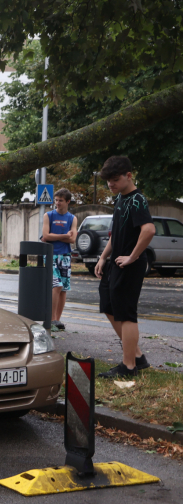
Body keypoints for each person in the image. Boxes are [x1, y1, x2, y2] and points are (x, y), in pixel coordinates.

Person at [94, 156, 156, 378]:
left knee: (126, 314)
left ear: (129, 176)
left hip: (130, 265)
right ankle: (137, 355)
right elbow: (116, 233)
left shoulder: (137, 199)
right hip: (115, 263)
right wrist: (103, 257)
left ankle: (128, 366)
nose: (110, 184)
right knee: (109, 304)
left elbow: (148, 230)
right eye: (108, 180)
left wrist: (132, 257)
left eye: (115, 179)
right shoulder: (120, 198)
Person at [41, 188, 77, 331]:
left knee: (63, 289)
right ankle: (51, 320)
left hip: (65, 256)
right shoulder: (48, 215)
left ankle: (58, 320)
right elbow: (45, 236)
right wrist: (64, 236)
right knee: (56, 285)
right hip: (50, 255)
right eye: (56, 200)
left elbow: (73, 239)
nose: (57, 203)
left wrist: (62, 237)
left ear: (67, 201)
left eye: (60, 201)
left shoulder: (72, 218)